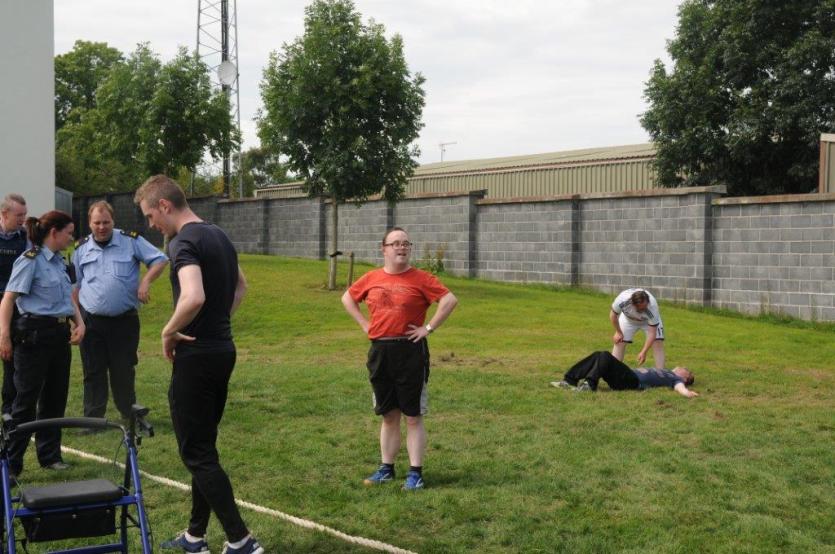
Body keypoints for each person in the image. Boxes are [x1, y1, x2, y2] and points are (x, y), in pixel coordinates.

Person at [135, 175, 262, 554]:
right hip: (222, 349)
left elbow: (192, 296)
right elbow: (241, 286)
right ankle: (195, 536)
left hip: (197, 356)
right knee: (204, 447)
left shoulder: (183, 241)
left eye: (149, 215)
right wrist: (216, 323)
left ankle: (241, 541)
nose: (150, 224)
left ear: (164, 206)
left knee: (197, 453)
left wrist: (168, 331)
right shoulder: (218, 235)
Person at [341, 227, 458, 491]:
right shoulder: (371, 277)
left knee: (413, 415)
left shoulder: (421, 279)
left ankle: (415, 474)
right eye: (395, 244)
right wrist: (363, 324)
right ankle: (387, 469)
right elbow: (347, 297)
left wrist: (428, 328)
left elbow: (449, 300)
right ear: (383, 249)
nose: (401, 248)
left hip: (410, 352)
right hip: (380, 352)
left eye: (406, 243)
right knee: (389, 415)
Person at [0, 211, 85, 478]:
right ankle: (11, 464)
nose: (71, 238)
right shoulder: (30, 261)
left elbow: (67, 298)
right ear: (54, 233)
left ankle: (50, 456)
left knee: (54, 398)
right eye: (69, 232)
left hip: (58, 334)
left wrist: (79, 322)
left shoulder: (59, 262)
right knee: (25, 401)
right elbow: (9, 300)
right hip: (33, 336)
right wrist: (3, 336)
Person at [72, 201, 168, 424]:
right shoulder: (81, 248)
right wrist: (76, 320)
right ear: (89, 223)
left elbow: (160, 260)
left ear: (113, 221)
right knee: (93, 370)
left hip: (124, 321)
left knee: (123, 369)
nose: (102, 227)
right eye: (97, 223)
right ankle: (93, 420)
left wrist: (145, 281)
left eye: (106, 222)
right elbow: (74, 286)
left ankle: (129, 413)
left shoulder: (130, 240)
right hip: (91, 321)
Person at [551, 351, 698, 398]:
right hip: (626, 376)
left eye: (686, 370)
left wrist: (687, 392)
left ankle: (589, 384)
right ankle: (570, 380)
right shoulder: (666, 371)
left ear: (685, 377)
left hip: (632, 381)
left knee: (605, 356)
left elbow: (679, 387)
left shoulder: (675, 378)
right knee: (600, 355)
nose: (682, 367)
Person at [0, 194, 29, 415]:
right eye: (18, 215)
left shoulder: (27, 238)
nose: (22, 219)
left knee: (12, 358)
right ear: (4, 214)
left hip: (17, 306)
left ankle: (10, 409)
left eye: (24, 215)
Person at [610, 288, 666, 369]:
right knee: (619, 342)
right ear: (633, 304)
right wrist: (618, 332)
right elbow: (613, 315)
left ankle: (661, 374)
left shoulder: (652, 307)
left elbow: (652, 333)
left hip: (647, 322)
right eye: (641, 308)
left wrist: (644, 351)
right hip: (628, 319)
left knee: (657, 343)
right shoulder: (622, 300)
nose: (644, 309)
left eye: (645, 306)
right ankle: (613, 372)